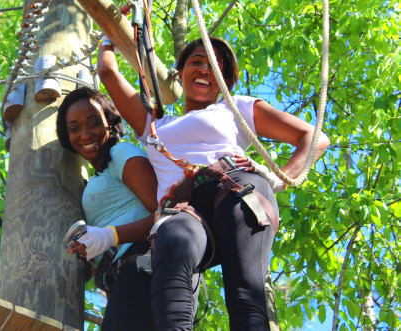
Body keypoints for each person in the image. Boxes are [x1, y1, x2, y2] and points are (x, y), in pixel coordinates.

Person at [95, 36, 330, 330]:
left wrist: (278, 177)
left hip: (235, 187)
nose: (204, 69)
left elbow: (315, 138)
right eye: (196, 62)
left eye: (214, 66)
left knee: (246, 291)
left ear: (224, 82)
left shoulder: (236, 109)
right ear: (179, 73)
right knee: (172, 250)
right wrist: (110, 36)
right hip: (184, 207)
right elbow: (108, 74)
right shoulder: (155, 126)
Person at [56, 86, 158, 330]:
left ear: (109, 122)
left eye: (93, 122)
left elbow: (166, 215)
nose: (85, 134)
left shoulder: (120, 152)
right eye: (74, 128)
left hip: (144, 264)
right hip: (124, 276)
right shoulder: (98, 175)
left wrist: (109, 236)